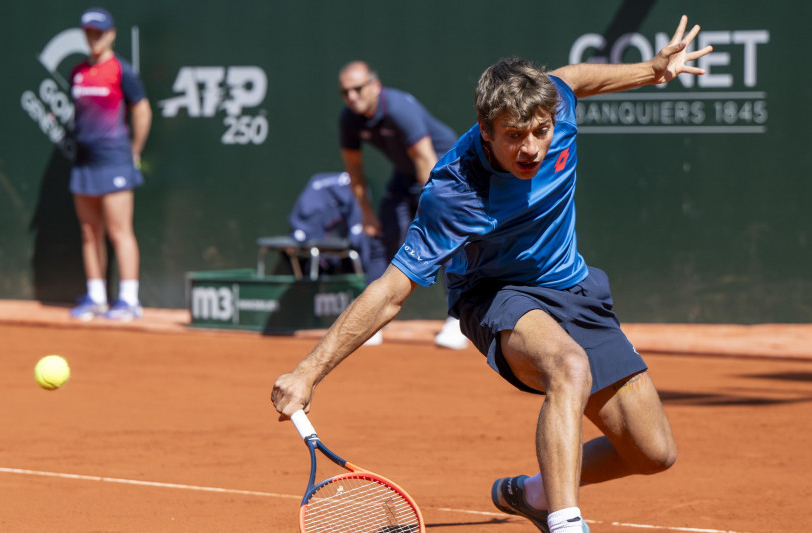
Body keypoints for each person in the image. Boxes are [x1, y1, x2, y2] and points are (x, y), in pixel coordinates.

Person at [273, 16, 712, 533]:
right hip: (496, 296)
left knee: (653, 452)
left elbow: (573, 78)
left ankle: (533, 493)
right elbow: (392, 291)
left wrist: (652, 71)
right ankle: (567, 523)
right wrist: (308, 371)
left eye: (540, 131)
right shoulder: (454, 193)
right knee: (568, 367)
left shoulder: (555, 105)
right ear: (485, 130)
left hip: (572, 285)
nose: (531, 148)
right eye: (513, 137)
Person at [337, 60, 467, 348]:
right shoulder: (350, 118)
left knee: (445, 240)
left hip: (445, 168)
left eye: (357, 89)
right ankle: (370, 321)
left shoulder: (398, 109)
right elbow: (354, 170)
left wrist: (434, 210)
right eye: (345, 92)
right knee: (383, 239)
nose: (352, 97)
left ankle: (458, 321)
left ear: (375, 86)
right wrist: (367, 214)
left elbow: (426, 159)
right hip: (405, 173)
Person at [68, 7, 152, 321]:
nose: (93, 38)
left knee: (119, 231)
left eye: (99, 32)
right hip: (84, 162)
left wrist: (135, 151)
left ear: (112, 34)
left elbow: (142, 111)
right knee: (90, 232)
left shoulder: (121, 71)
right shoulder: (77, 72)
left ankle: (129, 300)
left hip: (115, 160)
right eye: (89, 32)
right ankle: (96, 297)